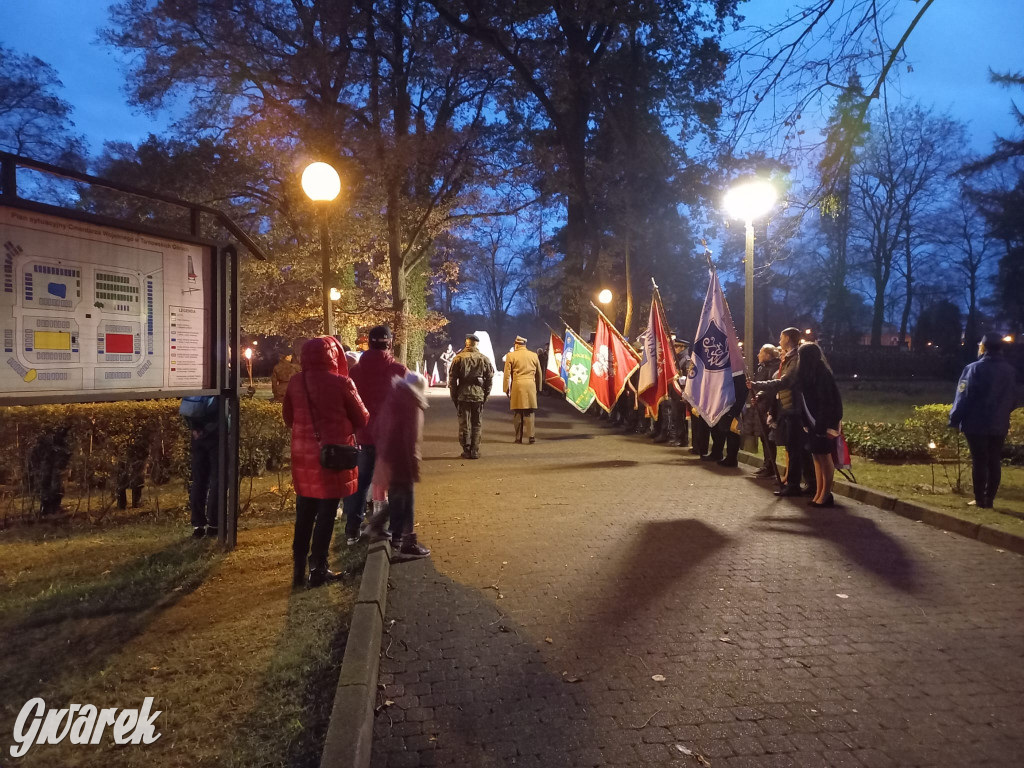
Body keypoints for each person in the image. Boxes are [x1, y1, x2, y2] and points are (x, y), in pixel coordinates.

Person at [283, 336, 368, 587]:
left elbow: (289, 417)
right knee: (327, 513)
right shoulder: (342, 382)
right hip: (332, 457)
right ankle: (318, 567)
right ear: (334, 355)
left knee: (304, 513)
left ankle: (298, 568)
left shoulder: (296, 382)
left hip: (303, 458)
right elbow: (362, 418)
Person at [342, 325, 406, 544]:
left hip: (364, 435)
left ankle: (352, 530)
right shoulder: (398, 370)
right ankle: (385, 528)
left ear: (369, 343)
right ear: (389, 344)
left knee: (359, 484)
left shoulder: (356, 371)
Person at [949, 332, 1018, 509]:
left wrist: (954, 419)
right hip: (999, 423)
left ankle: (979, 499)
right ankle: (990, 499)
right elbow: (1014, 399)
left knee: (979, 460)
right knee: (994, 459)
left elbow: (963, 396)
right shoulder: (1009, 371)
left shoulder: (973, 369)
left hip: (976, 423)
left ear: (983, 347)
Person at [367, 371, 431, 557]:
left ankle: (381, 528)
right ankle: (406, 541)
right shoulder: (410, 405)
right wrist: (412, 462)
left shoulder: (393, 398)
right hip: (401, 458)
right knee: (406, 498)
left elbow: (378, 428)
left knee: (398, 496)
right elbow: (410, 437)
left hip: (388, 455)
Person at [747, 327, 806, 496]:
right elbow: (777, 381)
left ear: (787, 338)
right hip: (785, 407)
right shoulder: (787, 359)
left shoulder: (795, 358)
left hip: (793, 408)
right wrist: (760, 393)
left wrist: (758, 386)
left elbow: (785, 381)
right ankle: (798, 482)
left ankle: (795, 485)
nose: (779, 340)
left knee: (795, 449)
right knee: (791, 447)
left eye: (781, 337)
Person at [797, 343, 843, 507]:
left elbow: (827, 402)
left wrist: (822, 426)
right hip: (812, 422)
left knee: (825, 457)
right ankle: (819, 492)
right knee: (816, 457)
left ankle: (826, 494)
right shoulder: (806, 374)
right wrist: (805, 422)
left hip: (822, 423)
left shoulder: (822, 374)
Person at [179, 395, 221, 536]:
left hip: (197, 436)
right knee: (217, 479)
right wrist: (208, 430)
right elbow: (222, 410)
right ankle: (214, 524)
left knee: (199, 480)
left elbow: (187, 408)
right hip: (216, 436)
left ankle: (198, 525)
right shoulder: (222, 376)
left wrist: (195, 429)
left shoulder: (198, 379)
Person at [449, 332, 495, 458]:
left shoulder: (458, 358)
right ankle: (475, 449)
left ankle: (466, 449)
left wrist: (454, 396)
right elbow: (490, 379)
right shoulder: (484, 359)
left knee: (464, 423)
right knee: (477, 422)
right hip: (478, 394)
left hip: (463, 394)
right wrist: (486, 394)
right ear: (477, 344)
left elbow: (452, 380)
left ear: (466, 343)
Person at [747, 344, 781, 478]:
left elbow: (770, 387)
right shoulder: (763, 367)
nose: (758, 355)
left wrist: (759, 395)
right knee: (763, 437)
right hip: (761, 405)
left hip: (768, 407)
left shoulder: (773, 368)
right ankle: (766, 464)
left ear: (768, 355)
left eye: (761, 353)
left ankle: (770, 467)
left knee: (768, 438)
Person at [503, 335, 544, 444]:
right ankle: (531, 436)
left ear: (516, 344)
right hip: (530, 385)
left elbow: (507, 374)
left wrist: (506, 388)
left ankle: (518, 437)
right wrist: (539, 387)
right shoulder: (534, 355)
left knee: (517, 412)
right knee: (530, 412)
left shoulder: (511, 356)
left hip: (518, 385)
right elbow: (539, 373)